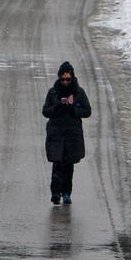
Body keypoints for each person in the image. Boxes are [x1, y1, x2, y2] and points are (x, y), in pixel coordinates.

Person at [42, 61, 91, 205]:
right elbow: (45, 111)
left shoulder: (79, 92)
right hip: (56, 134)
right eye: (62, 79)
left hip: (72, 135)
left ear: (72, 78)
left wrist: (74, 109)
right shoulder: (53, 92)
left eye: (67, 79)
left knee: (69, 165)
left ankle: (67, 193)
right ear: (59, 78)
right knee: (57, 164)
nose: (65, 82)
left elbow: (87, 111)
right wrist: (57, 106)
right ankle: (55, 193)